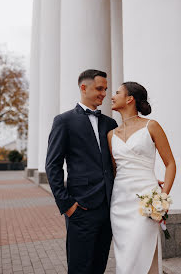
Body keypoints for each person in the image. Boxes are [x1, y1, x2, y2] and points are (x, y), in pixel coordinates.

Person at [45, 69, 117, 274]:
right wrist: (67, 205)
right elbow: (52, 165)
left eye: (105, 89)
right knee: (79, 268)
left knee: (99, 265)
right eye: (99, 88)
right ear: (83, 88)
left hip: (108, 207)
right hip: (81, 208)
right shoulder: (63, 121)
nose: (104, 93)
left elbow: (116, 163)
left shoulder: (110, 123)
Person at [107, 82, 176, 274]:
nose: (112, 96)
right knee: (126, 259)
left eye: (117, 93)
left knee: (145, 252)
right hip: (120, 203)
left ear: (129, 99)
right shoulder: (111, 135)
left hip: (146, 200)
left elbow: (170, 163)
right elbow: (115, 171)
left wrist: (162, 197)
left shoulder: (151, 126)